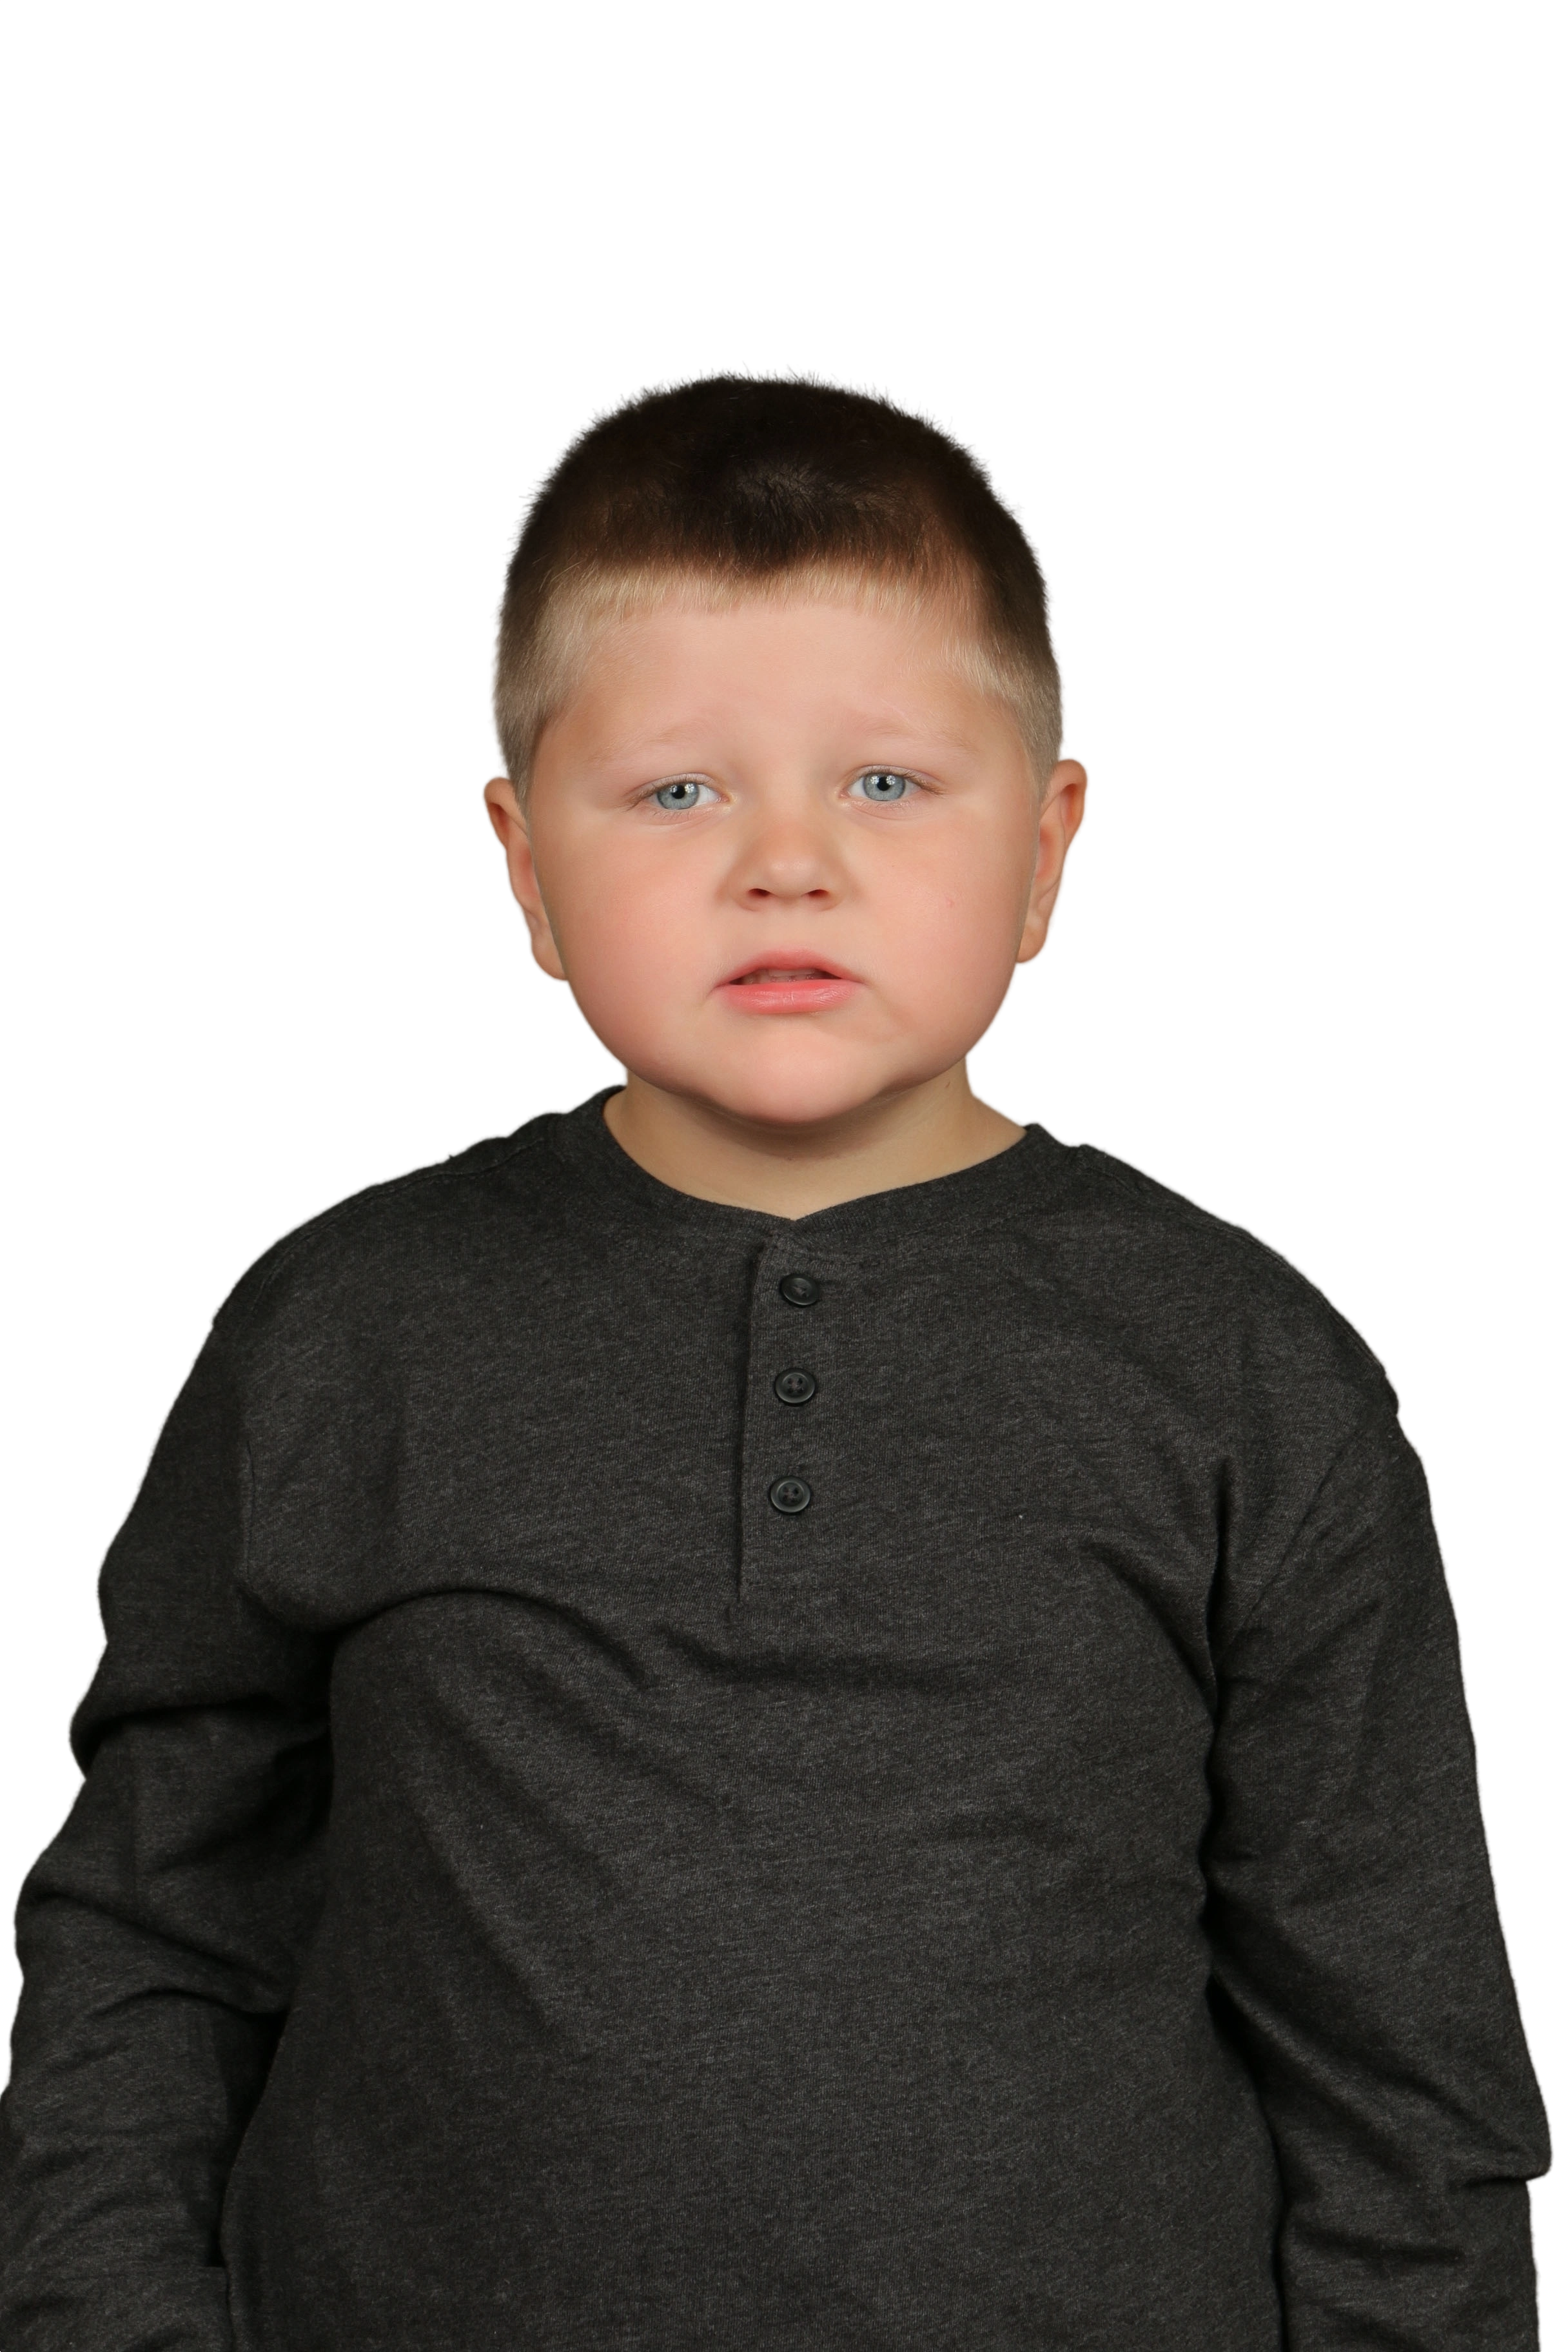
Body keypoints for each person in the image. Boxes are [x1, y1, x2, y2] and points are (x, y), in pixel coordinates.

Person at [0, 360, 1553, 2351]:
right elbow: (153, 1931)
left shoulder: (1249, 1368)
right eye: (678, 790)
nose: (786, 862)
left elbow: (1399, 2053)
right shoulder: (337, 1329)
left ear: (1051, 845)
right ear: (525, 865)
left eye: (886, 781)